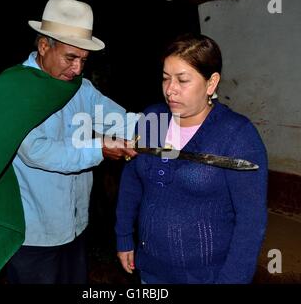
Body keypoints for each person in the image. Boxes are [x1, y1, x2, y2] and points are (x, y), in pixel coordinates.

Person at [115, 33, 268, 284]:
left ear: (211, 83)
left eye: (182, 80)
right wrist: (123, 237)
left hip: (206, 276)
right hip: (151, 270)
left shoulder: (237, 135)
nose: (170, 90)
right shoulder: (152, 118)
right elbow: (131, 182)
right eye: (165, 78)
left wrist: (232, 280)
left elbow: (251, 221)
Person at [5, 0, 138, 284]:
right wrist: (99, 148)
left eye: (83, 60)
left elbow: (118, 119)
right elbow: (37, 151)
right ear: (44, 46)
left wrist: (171, 124)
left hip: (74, 228)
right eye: (70, 58)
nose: (78, 69)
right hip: (33, 235)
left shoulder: (79, 88)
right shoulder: (18, 90)